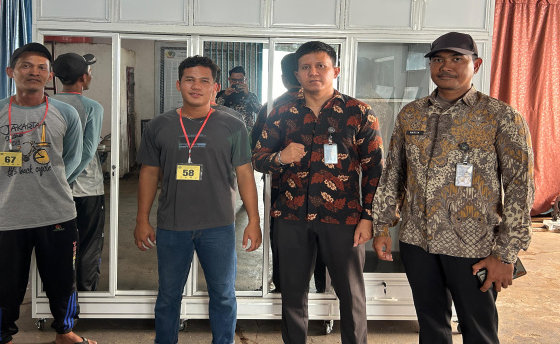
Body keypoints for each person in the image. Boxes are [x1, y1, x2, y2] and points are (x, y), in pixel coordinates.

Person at [372, 32, 535, 344]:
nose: (445, 66)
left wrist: (506, 253)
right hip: (418, 242)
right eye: (438, 59)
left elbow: (520, 188)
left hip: (474, 246)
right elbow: (394, 174)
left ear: (477, 64)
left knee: (479, 330)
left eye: (457, 59)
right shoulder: (412, 114)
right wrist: (382, 226)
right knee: (431, 327)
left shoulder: (501, 117)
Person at [253, 41, 383, 344]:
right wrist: (280, 157)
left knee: (351, 293)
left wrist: (369, 218)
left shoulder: (358, 112)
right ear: (297, 74)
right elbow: (258, 158)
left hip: (343, 218)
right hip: (291, 216)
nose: (313, 72)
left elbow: (375, 170)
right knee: (292, 293)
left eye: (320, 66)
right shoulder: (281, 112)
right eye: (306, 67)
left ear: (335, 70)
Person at [0, 43, 97, 344]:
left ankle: (65, 333)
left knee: (62, 280)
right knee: (3, 284)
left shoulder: (65, 113)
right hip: (7, 217)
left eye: (42, 67)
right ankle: (2, 337)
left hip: (57, 213)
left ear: (50, 75)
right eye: (26, 65)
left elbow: (73, 158)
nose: (34, 72)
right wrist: (8, 190)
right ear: (10, 72)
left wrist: (54, 183)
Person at [133, 55, 262, 344]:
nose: (196, 86)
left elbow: (245, 174)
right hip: (172, 226)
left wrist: (253, 220)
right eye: (189, 80)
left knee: (223, 295)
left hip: (219, 226)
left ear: (215, 87)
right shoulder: (159, 126)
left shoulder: (233, 125)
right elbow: (149, 174)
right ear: (178, 84)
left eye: (204, 81)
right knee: (168, 296)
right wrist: (142, 219)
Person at [251, 53, 327, 294]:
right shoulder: (333, 107)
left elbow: (256, 150)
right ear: (299, 74)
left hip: (282, 191)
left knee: (283, 243)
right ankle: (323, 289)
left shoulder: (272, 108)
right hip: (327, 193)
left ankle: (283, 286)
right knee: (324, 243)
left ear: (284, 78)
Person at [51, 52, 106, 292]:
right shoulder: (92, 107)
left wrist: (58, 182)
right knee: (88, 244)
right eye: (89, 72)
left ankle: (60, 296)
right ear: (84, 77)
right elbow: (88, 151)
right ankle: (85, 294)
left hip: (52, 187)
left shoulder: (48, 104)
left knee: (58, 244)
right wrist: (67, 179)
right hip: (87, 189)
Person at [216, 65, 262, 135]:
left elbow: (260, 111)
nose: (237, 82)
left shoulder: (250, 96)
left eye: (240, 80)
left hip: (245, 134)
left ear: (245, 80)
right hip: (226, 133)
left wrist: (248, 94)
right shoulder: (222, 94)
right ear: (229, 80)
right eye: (234, 80)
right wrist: (224, 95)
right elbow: (215, 110)